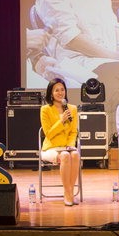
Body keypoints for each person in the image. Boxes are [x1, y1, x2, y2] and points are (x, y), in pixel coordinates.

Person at [40, 78, 80, 206]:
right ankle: (68, 192)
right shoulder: (45, 109)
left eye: (62, 89)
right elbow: (48, 134)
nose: (60, 92)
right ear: (51, 93)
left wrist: (70, 145)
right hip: (50, 148)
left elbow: (74, 131)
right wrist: (61, 120)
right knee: (65, 156)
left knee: (74, 154)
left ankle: (70, 191)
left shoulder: (72, 109)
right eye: (56, 90)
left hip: (66, 147)